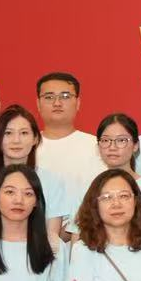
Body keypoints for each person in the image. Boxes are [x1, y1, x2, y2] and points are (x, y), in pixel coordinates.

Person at [0, 106, 70, 241]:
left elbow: (52, 236)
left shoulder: (52, 181)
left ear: (35, 138)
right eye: (8, 133)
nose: (16, 140)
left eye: (24, 133)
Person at [32, 72, 101, 201]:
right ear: (38, 104)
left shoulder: (97, 147)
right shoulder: (26, 146)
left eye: (65, 96)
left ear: (78, 103)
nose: (57, 103)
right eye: (49, 97)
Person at [94, 114, 141, 230]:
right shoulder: (89, 188)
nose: (112, 147)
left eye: (121, 140)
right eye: (105, 140)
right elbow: (79, 234)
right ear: (98, 146)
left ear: (135, 145)